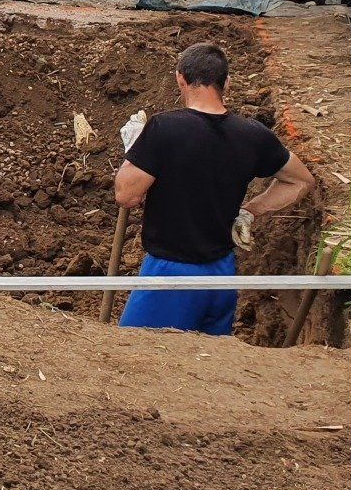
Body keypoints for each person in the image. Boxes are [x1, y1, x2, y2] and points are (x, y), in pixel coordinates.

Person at [113, 41, 315, 336]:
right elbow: (301, 180)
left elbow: (126, 196)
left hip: (170, 277)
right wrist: (249, 212)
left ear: (180, 78)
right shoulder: (252, 135)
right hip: (222, 276)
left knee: (132, 357)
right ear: (227, 82)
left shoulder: (164, 129)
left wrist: (136, 153)